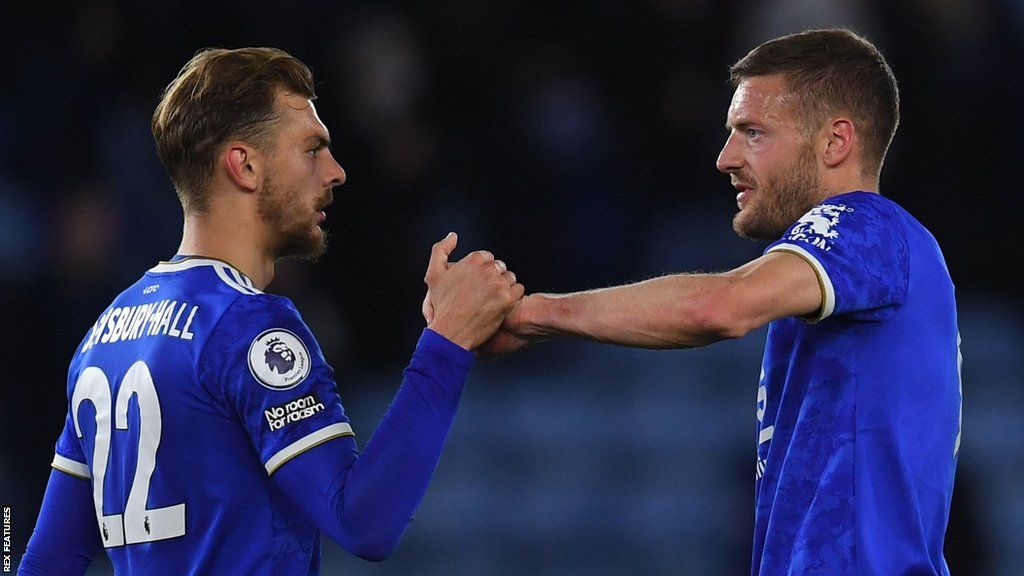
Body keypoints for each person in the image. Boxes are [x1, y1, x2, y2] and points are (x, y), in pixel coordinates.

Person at [471, 28, 962, 575]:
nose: (725, 157)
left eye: (752, 132)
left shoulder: (863, 226)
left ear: (835, 142)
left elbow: (721, 306)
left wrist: (531, 315)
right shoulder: (856, 266)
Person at [18, 47, 523, 575]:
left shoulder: (103, 337)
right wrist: (447, 342)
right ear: (246, 165)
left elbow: (45, 561)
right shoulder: (247, 327)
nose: (337, 171)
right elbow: (365, 522)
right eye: (312, 149)